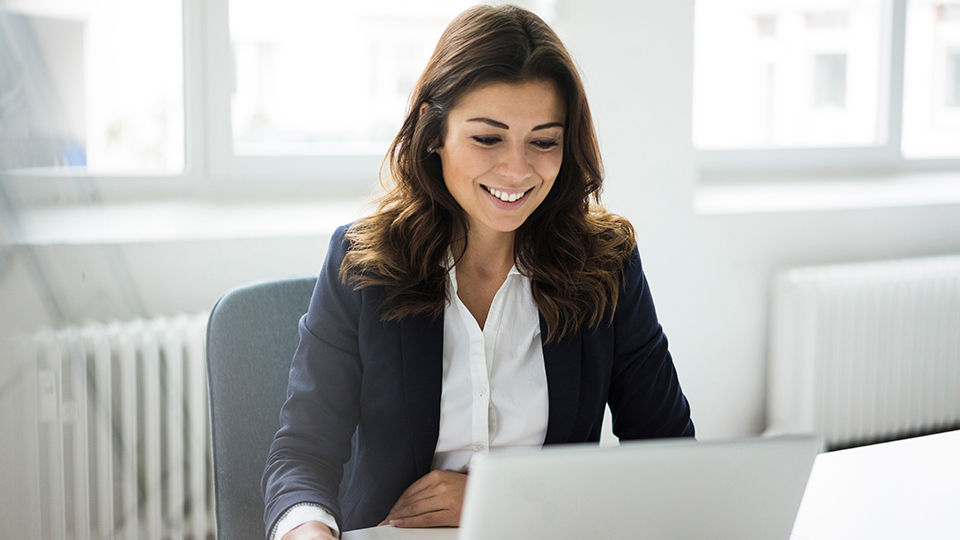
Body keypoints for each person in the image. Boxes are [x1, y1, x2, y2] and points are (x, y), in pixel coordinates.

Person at [261, 5, 694, 540]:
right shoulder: (364, 262)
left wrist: (502, 498)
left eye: (543, 141)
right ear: (432, 131)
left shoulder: (606, 263)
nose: (516, 169)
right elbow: (302, 454)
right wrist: (308, 532)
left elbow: (668, 455)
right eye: (488, 138)